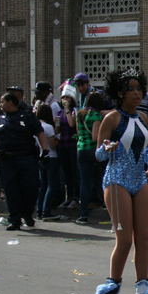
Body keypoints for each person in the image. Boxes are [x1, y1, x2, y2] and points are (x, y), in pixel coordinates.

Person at [94, 68, 148, 294]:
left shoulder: (144, 118)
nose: (137, 93)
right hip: (116, 180)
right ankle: (113, 293)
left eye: (139, 88)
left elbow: (145, 150)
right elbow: (97, 154)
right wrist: (108, 148)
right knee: (125, 240)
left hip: (140, 182)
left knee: (144, 240)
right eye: (131, 89)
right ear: (120, 92)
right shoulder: (112, 119)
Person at [0, 92, 49, 231]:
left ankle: (27, 214)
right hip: (6, 161)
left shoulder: (28, 117)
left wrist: (45, 151)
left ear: (10, 102)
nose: (0, 104)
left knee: (31, 188)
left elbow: (40, 133)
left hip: (26, 159)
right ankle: (14, 220)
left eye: (2, 101)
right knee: (11, 190)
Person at [76, 92, 107, 224]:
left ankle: (84, 214)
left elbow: (78, 133)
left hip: (81, 148)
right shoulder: (96, 115)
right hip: (93, 150)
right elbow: (95, 137)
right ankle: (106, 205)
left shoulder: (80, 113)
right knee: (105, 176)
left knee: (84, 182)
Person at [56, 80, 80, 208]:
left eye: (67, 98)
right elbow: (58, 129)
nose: (65, 99)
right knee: (66, 172)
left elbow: (72, 124)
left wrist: (67, 110)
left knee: (74, 171)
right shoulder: (60, 113)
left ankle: (76, 196)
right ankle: (69, 195)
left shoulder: (73, 111)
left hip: (72, 145)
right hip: (62, 145)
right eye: (63, 97)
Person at [35, 105, 60, 221]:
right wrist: (58, 136)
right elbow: (52, 145)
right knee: (52, 185)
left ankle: (39, 211)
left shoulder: (36, 126)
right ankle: (46, 211)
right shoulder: (48, 127)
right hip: (51, 157)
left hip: (40, 157)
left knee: (43, 185)